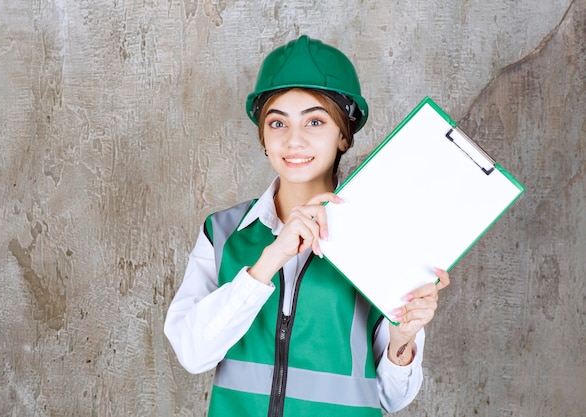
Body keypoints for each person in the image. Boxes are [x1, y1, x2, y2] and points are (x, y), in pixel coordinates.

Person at [164, 35, 450, 417]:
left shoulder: (383, 240)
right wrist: (269, 260)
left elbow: (390, 399)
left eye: (315, 121)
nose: (293, 140)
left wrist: (402, 339)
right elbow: (192, 354)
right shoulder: (222, 233)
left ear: (343, 136)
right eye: (277, 122)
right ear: (263, 138)